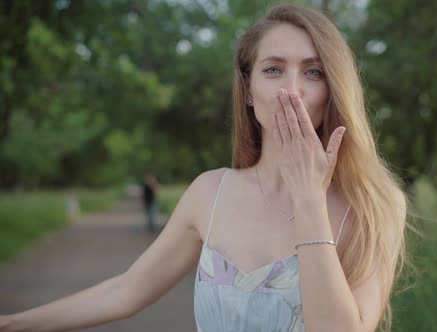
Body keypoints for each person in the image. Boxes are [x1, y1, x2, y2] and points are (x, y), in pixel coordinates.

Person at [0, 3, 407, 332]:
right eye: (273, 69)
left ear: (333, 87)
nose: (292, 90)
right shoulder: (209, 194)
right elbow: (124, 292)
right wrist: (15, 323)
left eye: (313, 71)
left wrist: (309, 201)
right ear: (248, 91)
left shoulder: (375, 205)